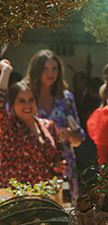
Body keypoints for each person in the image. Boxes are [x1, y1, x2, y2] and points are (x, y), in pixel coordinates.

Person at [25, 50, 83, 201]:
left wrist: (69, 135)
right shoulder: (26, 97)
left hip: (64, 164)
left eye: (54, 69)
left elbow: (78, 138)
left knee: (67, 208)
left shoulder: (66, 98)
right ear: (36, 70)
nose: (51, 73)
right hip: (35, 164)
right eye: (45, 69)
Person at [0, 60, 66, 188]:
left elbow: (57, 156)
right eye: (21, 101)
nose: (28, 105)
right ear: (12, 104)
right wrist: (6, 72)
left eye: (31, 100)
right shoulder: (8, 127)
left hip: (44, 193)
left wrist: (58, 165)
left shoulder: (48, 126)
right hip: (16, 195)